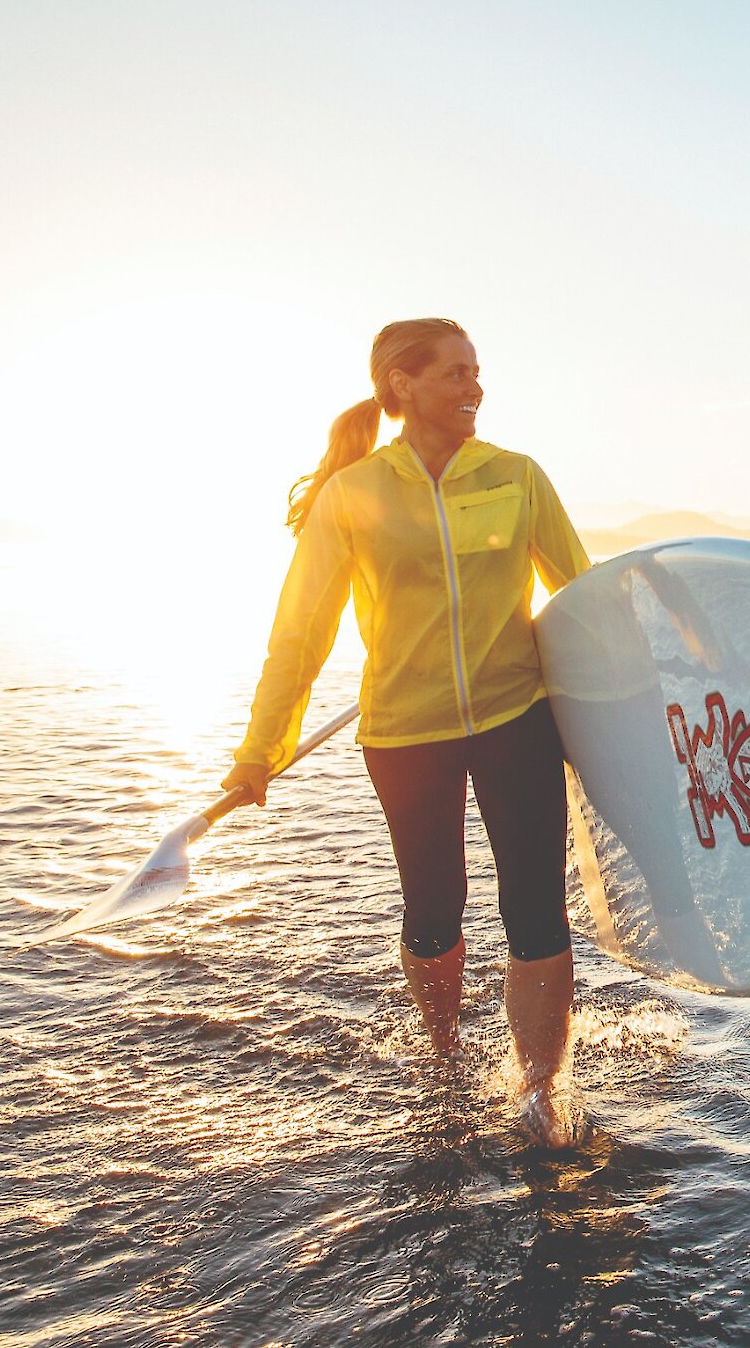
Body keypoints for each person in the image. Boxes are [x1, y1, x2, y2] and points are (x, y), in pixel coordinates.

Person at [221, 318, 592, 1145]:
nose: (474, 388)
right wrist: (260, 750)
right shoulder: (351, 495)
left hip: (515, 716)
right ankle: (445, 1052)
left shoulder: (516, 476)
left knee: (535, 907)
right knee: (434, 908)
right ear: (403, 386)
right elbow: (301, 632)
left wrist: (649, 704)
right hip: (404, 732)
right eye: (456, 373)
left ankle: (539, 1091)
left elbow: (585, 597)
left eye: (477, 372)